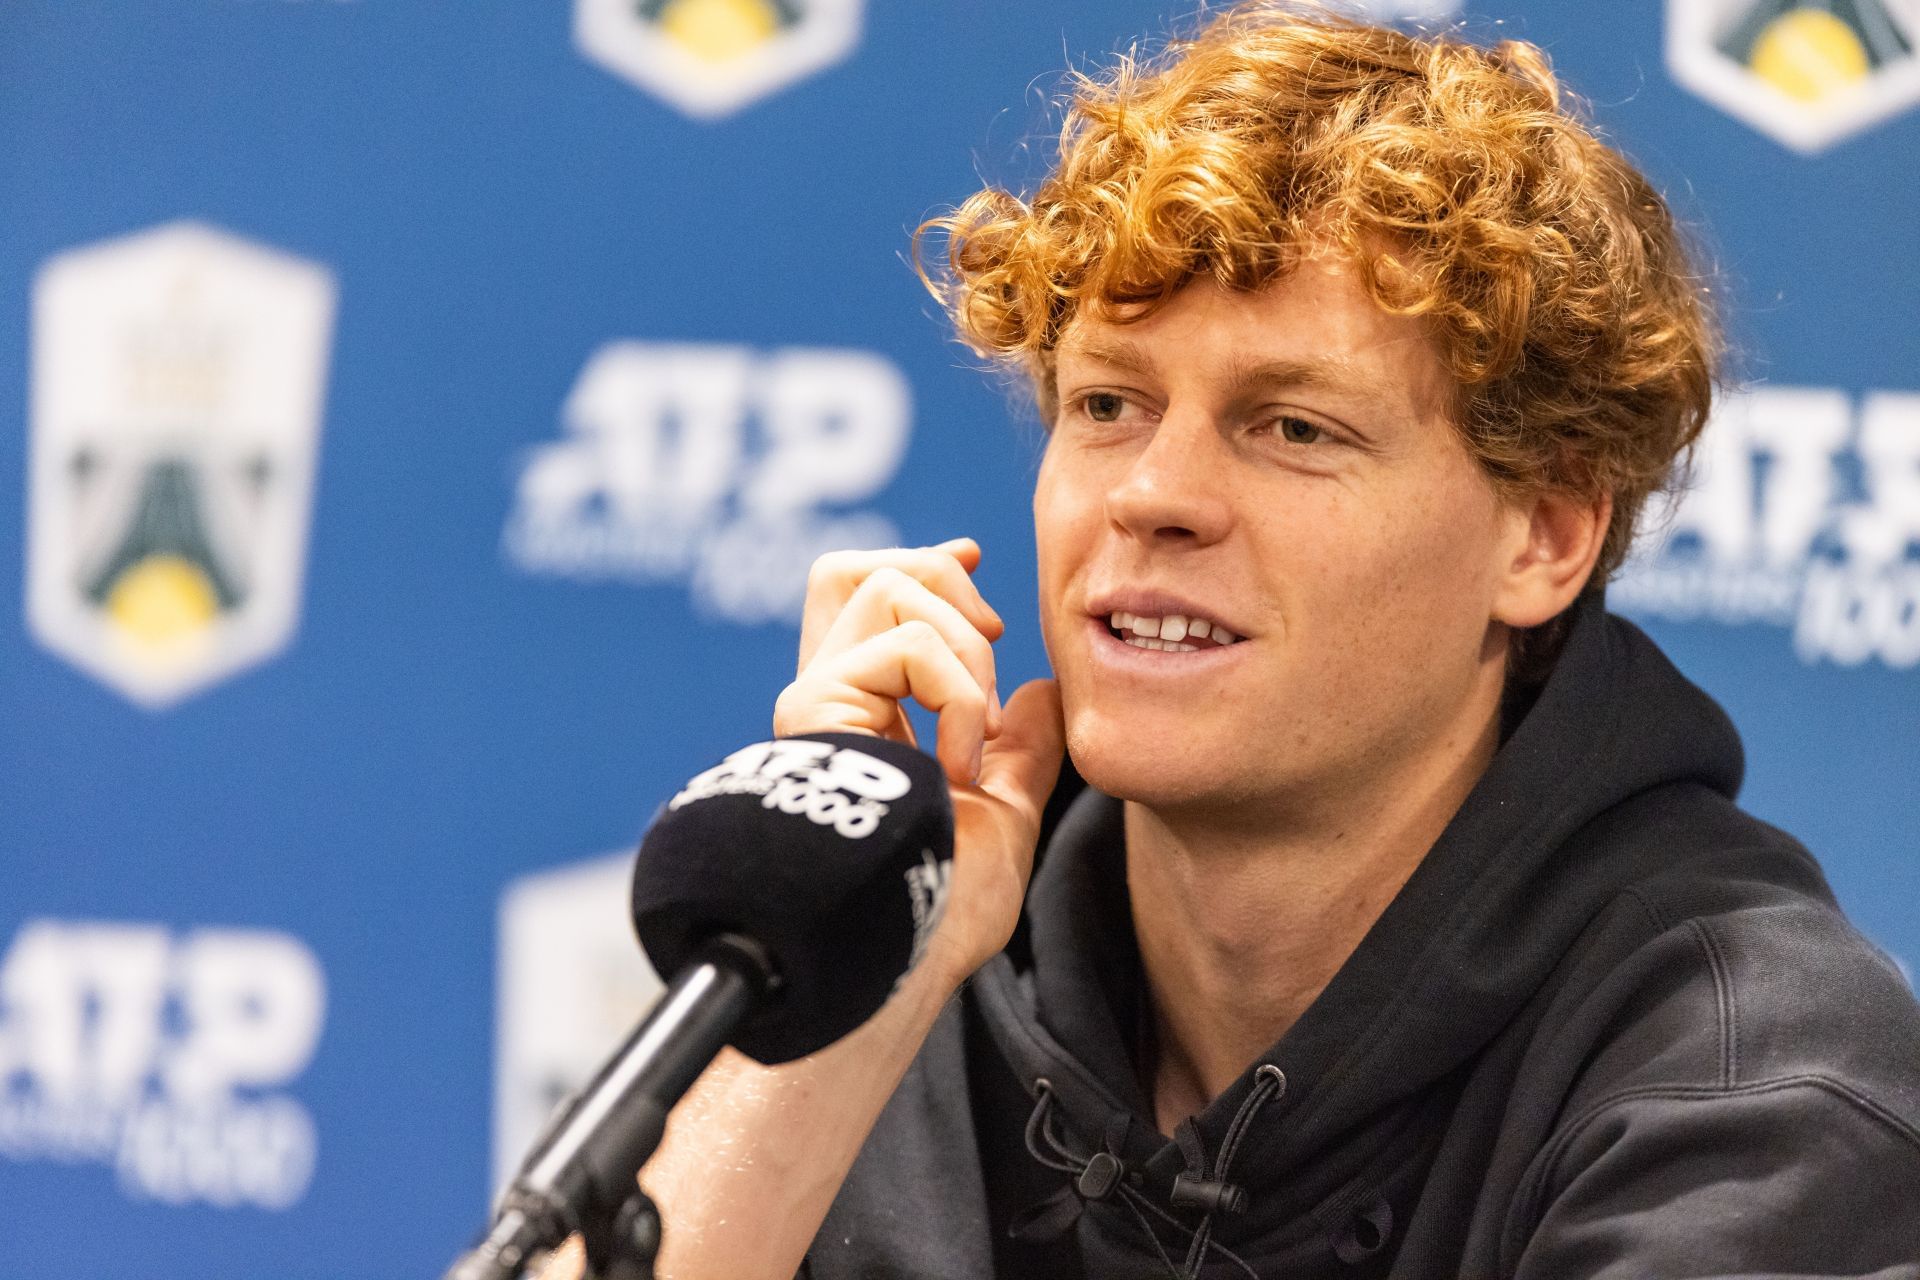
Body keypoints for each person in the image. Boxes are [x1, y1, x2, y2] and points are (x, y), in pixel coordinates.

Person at [609, 4, 1920, 1278]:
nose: (1152, 495)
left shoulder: (1752, 1087)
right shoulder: (940, 938)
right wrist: (840, 959)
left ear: (1544, 539)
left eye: (1293, 426)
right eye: (1109, 403)